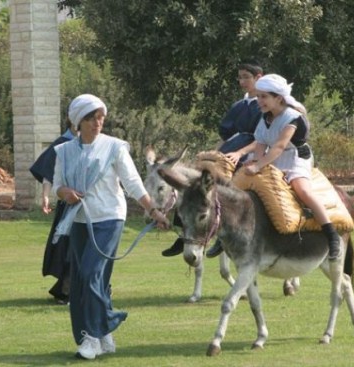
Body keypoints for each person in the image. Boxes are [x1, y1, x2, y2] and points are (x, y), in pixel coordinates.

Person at [52, 94, 169, 360]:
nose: (98, 122)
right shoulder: (64, 151)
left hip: (109, 218)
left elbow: (133, 183)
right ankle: (104, 332)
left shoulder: (115, 147)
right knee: (90, 280)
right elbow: (57, 185)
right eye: (92, 118)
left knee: (91, 274)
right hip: (79, 220)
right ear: (78, 122)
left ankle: (92, 337)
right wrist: (65, 193)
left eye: (101, 117)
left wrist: (153, 210)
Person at [221, 73, 341, 261]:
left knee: (301, 189)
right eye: (258, 96)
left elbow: (279, 146)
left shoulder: (291, 117)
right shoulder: (265, 117)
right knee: (238, 187)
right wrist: (255, 164)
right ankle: (224, 236)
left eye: (264, 97)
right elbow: (260, 144)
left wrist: (259, 165)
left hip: (295, 157)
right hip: (272, 158)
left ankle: (331, 235)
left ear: (278, 98)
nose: (259, 100)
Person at [161, 60, 264, 257]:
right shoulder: (239, 106)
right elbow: (226, 136)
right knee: (195, 183)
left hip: (251, 152)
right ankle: (184, 234)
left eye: (246, 77)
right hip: (230, 150)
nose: (242, 81)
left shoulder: (263, 105)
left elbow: (261, 139)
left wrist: (240, 153)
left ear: (259, 77)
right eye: (240, 77)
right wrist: (214, 153)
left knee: (226, 188)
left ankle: (220, 238)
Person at [29, 120, 77, 305]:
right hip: (70, 206)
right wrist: (46, 196)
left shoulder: (95, 144)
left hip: (93, 207)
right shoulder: (62, 144)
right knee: (69, 249)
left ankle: (99, 288)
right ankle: (65, 290)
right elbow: (49, 173)